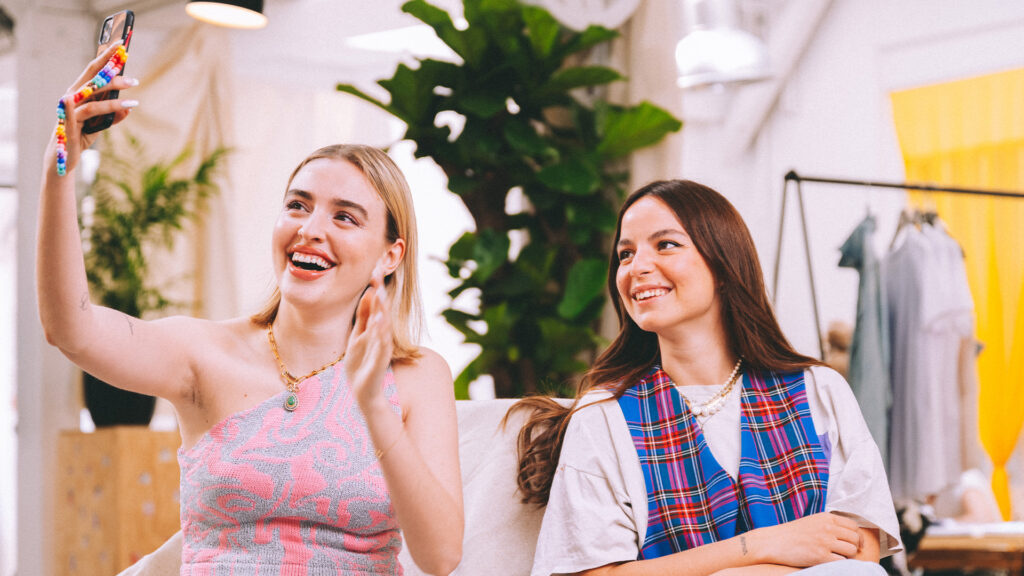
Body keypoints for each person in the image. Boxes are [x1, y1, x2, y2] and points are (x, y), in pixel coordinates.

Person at [38, 42, 463, 575]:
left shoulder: (418, 377)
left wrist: (374, 405)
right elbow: (70, 328)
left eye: (345, 217)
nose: (310, 229)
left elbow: (442, 556)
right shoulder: (204, 353)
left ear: (389, 255)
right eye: (298, 205)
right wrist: (61, 167)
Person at [512, 180, 901, 576]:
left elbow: (858, 552)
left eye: (665, 245)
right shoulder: (603, 416)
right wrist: (763, 545)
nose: (637, 267)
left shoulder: (820, 389)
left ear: (724, 263)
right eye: (625, 254)